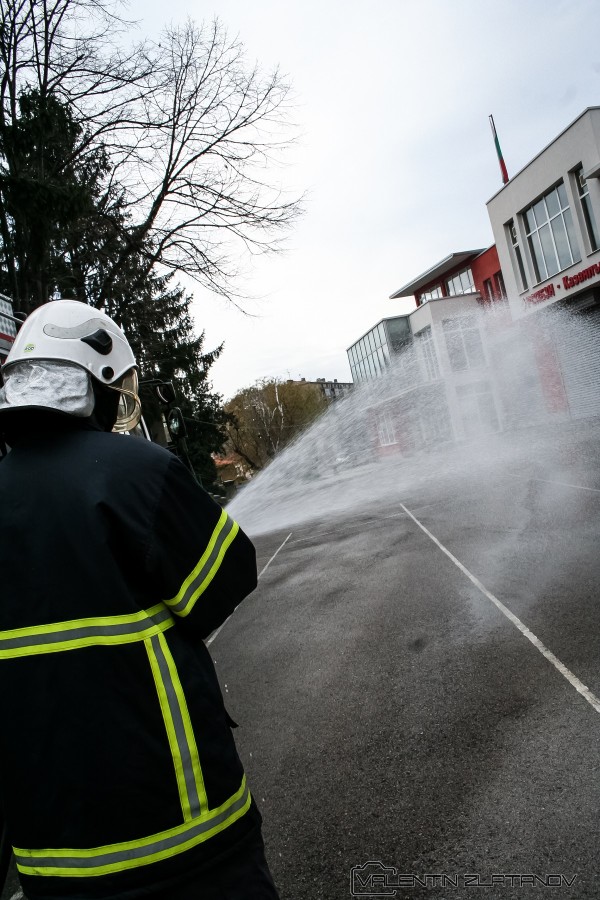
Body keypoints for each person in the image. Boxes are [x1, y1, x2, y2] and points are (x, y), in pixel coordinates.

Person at [0, 299, 280, 900]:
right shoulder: (136, 472)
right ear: (91, 387)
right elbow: (224, 583)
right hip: (187, 836)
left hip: (54, 862)